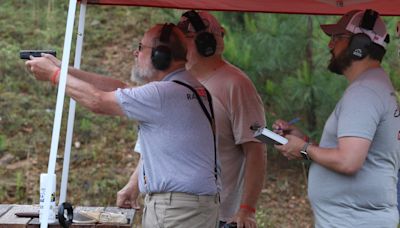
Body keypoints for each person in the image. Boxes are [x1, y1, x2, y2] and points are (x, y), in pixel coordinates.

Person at [26, 23, 220, 228]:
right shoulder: (188, 87)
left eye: (141, 47)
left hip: (178, 211)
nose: (135, 52)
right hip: (190, 208)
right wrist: (63, 68)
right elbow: (122, 88)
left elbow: (98, 101)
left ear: (160, 55)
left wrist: (55, 76)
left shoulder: (162, 94)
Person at [273, 9, 399, 227]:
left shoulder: (365, 92)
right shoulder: (374, 86)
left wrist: (303, 148)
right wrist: (307, 143)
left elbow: (349, 161)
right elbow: (355, 154)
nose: (330, 45)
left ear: (359, 45)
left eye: (337, 38)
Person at [179, 10, 266, 228]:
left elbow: (255, 148)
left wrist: (247, 209)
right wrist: (133, 185)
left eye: (184, 38)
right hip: (178, 214)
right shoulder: (178, 82)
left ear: (204, 42)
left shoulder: (236, 84)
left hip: (218, 216)